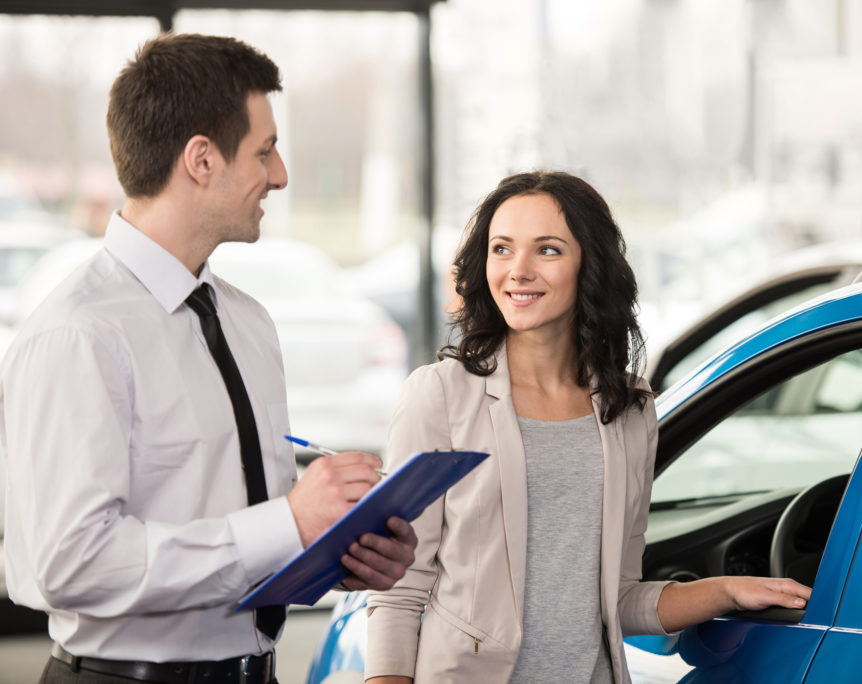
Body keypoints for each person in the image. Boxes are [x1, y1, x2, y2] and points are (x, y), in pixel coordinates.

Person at [0, 33, 416, 684]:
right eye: (265, 151)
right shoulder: (77, 335)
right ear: (201, 160)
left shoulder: (247, 321)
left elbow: (250, 517)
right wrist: (288, 520)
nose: (279, 176)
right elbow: (69, 563)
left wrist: (342, 545)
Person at [363, 171, 811, 683]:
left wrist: (725, 591)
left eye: (547, 251)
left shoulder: (629, 408)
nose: (518, 271)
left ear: (589, 266)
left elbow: (617, 599)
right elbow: (397, 590)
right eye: (502, 249)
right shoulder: (440, 395)